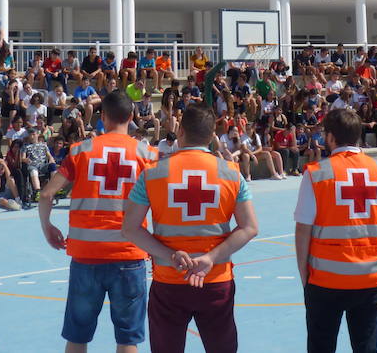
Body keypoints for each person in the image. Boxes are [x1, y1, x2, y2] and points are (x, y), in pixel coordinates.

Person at [122, 105, 259, 353]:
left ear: (180, 131)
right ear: (211, 136)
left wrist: (170, 255)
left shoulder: (152, 173)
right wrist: (210, 257)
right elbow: (249, 227)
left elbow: (130, 229)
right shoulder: (232, 172)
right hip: (216, 278)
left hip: (169, 280)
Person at [39, 90, 157, 353]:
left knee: (78, 336)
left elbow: (46, 194)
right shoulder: (147, 155)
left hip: (85, 256)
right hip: (129, 255)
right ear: (132, 116)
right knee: (127, 339)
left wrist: (48, 228)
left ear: (102, 117)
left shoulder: (82, 150)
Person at [294, 108, 377, 353]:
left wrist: (304, 274)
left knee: (321, 344)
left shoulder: (316, 174)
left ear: (331, 137)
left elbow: (303, 229)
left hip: (325, 278)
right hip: (372, 275)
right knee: (365, 344)